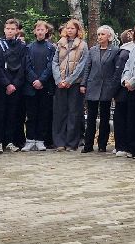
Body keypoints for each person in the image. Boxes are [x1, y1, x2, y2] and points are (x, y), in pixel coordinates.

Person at [82, 25, 121, 153]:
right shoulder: (92, 50)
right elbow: (87, 68)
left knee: (105, 117)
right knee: (91, 117)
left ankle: (102, 144)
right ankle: (88, 145)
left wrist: (113, 87)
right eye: (98, 34)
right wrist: (83, 84)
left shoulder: (115, 50)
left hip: (106, 88)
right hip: (92, 86)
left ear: (109, 36)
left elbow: (116, 70)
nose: (100, 37)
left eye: (102, 34)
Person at [52, 20, 89, 151]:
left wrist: (69, 80)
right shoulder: (60, 43)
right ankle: (59, 142)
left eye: (72, 28)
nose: (69, 30)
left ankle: (72, 142)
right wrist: (59, 80)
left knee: (74, 113)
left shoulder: (83, 45)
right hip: (60, 83)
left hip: (74, 84)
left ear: (78, 30)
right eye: (68, 28)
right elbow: (55, 62)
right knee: (59, 113)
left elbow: (82, 65)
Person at [0, 19, 27, 152]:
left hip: (16, 86)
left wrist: (15, 84)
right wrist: (7, 83)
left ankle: (10, 140)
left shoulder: (22, 46)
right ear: (4, 29)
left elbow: (23, 66)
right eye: (7, 29)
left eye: (12, 29)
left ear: (17, 30)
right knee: (0, 114)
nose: (10, 31)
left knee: (13, 114)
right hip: (1, 86)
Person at [23, 20, 56, 151]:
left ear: (46, 31)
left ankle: (41, 140)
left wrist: (42, 80)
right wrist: (34, 80)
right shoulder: (29, 47)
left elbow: (50, 66)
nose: (40, 32)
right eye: (38, 29)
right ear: (34, 31)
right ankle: (30, 139)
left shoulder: (51, 48)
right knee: (31, 114)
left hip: (45, 86)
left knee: (43, 114)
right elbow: (27, 65)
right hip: (31, 87)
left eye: (42, 29)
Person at [114, 23, 135, 157]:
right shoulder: (133, 48)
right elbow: (127, 66)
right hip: (130, 88)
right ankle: (132, 147)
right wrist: (125, 80)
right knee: (132, 119)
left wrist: (132, 81)